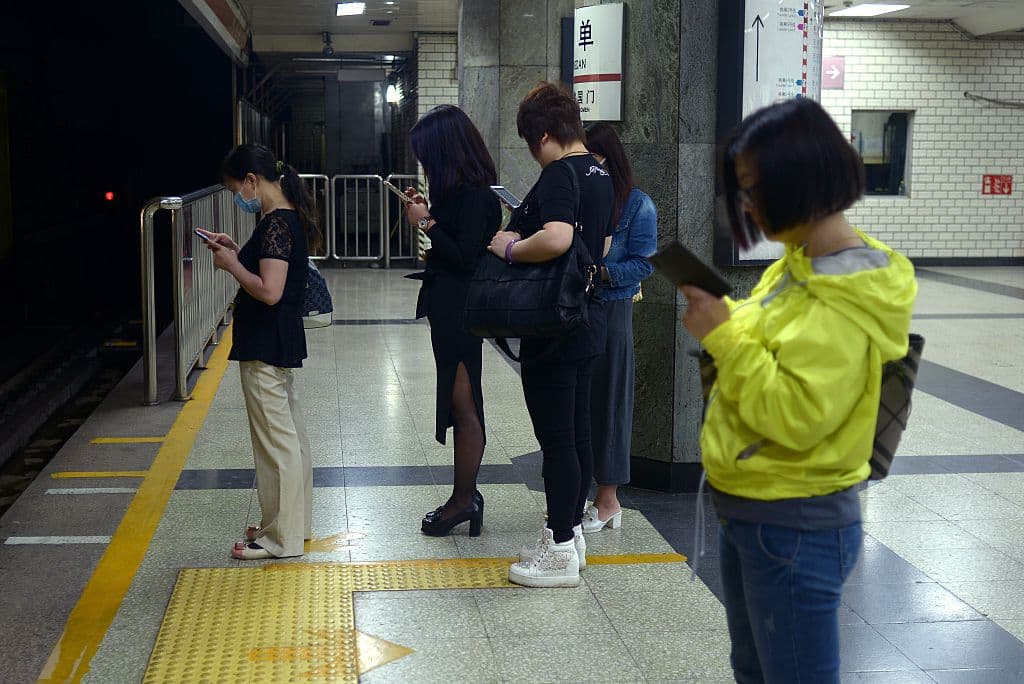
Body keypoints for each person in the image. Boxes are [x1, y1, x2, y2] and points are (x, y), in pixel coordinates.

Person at [681, 98, 917, 682]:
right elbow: (778, 343)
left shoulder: (845, 294)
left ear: (799, 181)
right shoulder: (798, 263)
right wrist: (728, 318)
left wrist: (725, 338)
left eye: (753, 189)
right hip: (759, 510)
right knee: (757, 671)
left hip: (794, 522)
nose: (749, 206)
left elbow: (797, 412)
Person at [488, 83, 615, 588]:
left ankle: (559, 545)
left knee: (556, 439)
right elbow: (598, 244)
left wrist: (511, 247)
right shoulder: (601, 172)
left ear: (543, 135)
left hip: (554, 323)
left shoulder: (560, 172)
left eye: (528, 142)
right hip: (586, 317)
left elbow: (560, 237)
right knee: (578, 432)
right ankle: (572, 535)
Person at [198, 143, 321, 560]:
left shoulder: (276, 224)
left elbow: (269, 290)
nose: (239, 196)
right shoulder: (280, 219)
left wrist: (232, 265)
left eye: (238, 187)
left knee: (275, 443)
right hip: (276, 340)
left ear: (252, 180)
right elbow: (269, 269)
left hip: (265, 341)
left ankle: (279, 539)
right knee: (290, 438)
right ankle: (292, 526)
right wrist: (237, 250)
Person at [402, 105, 502, 536]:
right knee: (460, 401)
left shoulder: (477, 196)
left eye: (427, 156)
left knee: (464, 405)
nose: (424, 165)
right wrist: (430, 213)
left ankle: (464, 500)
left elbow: (463, 256)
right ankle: (465, 496)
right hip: (448, 309)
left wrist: (425, 221)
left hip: (461, 311)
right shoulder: (458, 193)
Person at [579, 123, 658, 532]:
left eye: (588, 157)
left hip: (611, 310)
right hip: (578, 310)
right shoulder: (585, 197)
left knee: (610, 403)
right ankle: (581, 494)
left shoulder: (637, 204)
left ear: (604, 158)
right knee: (582, 404)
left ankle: (608, 500)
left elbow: (644, 264)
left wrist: (601, 273)